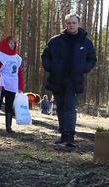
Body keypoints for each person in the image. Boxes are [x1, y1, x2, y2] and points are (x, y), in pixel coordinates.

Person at [41, 13, 97, 148]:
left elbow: (92, 59)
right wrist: (51, 67)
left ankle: (69, 137)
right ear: (65, 24)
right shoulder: (55, 41)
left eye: (74, 23)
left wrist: (83, 68)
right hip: (57, 79)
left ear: (78, 24)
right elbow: (45, 56)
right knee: (60, 107)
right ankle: (63, 135)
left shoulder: (86, 42)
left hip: (74, 80)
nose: (71, 25)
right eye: (69, 23)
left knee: (70, 108)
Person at [0, 35, 24, 133]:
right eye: (10, 43)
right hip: (0, 85)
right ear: (5, 44)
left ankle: (9, 128)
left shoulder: (18, 58)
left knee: (9, 106)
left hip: (12, 86)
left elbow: (19, 74)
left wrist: (20, 87)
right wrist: (0, 78)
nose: (12, 45)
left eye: (13, 43)